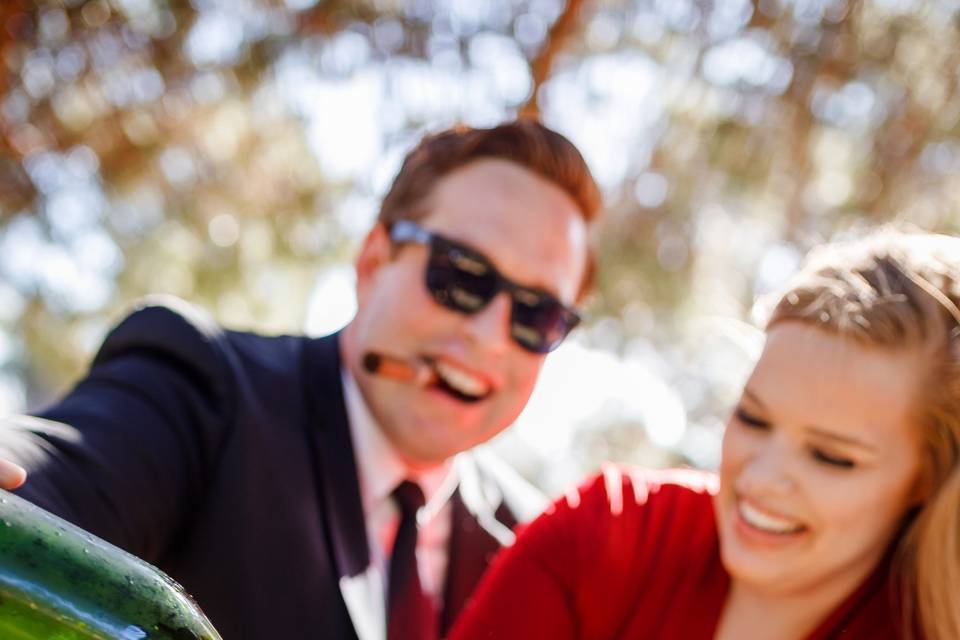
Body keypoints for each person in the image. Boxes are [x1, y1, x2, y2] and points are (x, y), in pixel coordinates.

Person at [0, 120, 602, 639]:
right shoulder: (202, 386)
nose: (492, 335)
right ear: (372, 263)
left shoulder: (540, 543)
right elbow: (47, 482)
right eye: (463, 276)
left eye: (537, 314)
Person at [449, 230, 960, 640]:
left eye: (829, 457)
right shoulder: (610, 534)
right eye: (753, 420)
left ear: (927, 476)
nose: (760, 477)